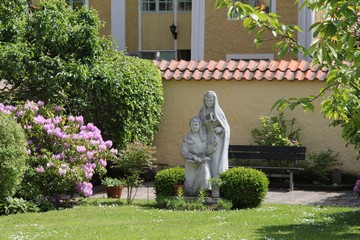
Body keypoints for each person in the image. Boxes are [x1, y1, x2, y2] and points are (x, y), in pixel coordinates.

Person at [198, 91, 230, 179]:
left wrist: (220, 129)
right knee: (206, 161)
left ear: (215, 101)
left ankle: (216, 184)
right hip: (205, 138)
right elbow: (198, 125)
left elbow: (226, 127)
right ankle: (205, 184)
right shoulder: (202, 112)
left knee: (215, 161)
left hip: (217, 140)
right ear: (204, 101)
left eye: (211, 100)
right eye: (207, 100)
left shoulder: (218, 112)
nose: (209, 102)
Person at [180, 117, 212, 196]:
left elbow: (207, 151)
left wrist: (213, 147)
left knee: (205, 171)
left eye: (196, 125)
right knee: (190, 188)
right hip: (191, 164)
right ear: (190, 126)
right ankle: (191, 195)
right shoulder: (187, 137)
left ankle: (205, 192)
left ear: (199, 126)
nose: (194, 127)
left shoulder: (204, 137)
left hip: (202, 162)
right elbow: (183, 151)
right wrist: (193, 157)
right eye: (193, 125)